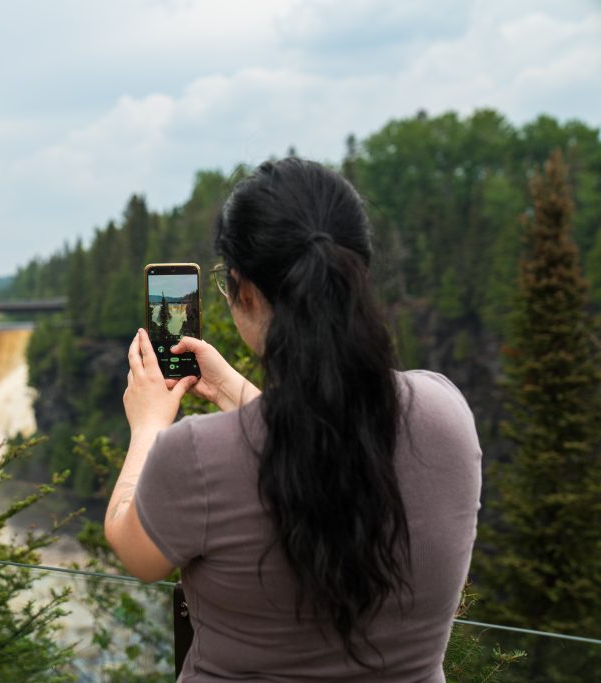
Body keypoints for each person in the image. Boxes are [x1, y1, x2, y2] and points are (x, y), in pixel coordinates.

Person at [105, 158, 481, 682]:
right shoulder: (446, 415)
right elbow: (325, 435)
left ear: (246, 292)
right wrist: (230, 388)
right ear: (360, 274)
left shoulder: (194, 455)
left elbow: (134, 549)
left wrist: (148, 427)